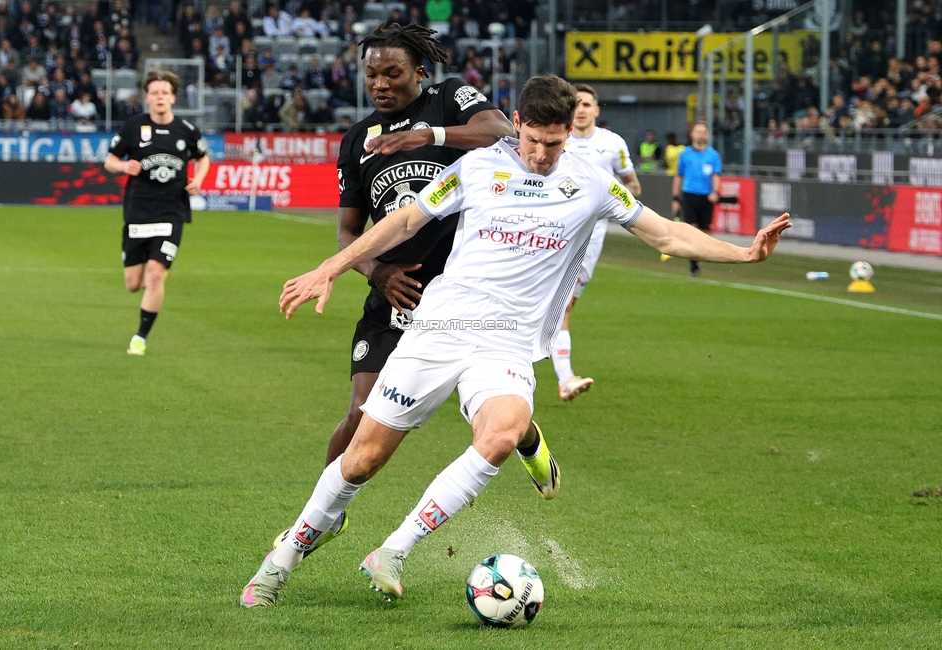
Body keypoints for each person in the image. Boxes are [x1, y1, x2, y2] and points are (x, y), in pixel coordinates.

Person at [241, 74, 791, 608]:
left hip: (507, 344)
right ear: (518, 123)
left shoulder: (593, 182)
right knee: (362, 461)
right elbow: (405, 221)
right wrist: (331, 267)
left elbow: (665, 233)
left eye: (555, 144)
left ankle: (392, 551)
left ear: (569, 134)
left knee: (499, 434)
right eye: (533, 141)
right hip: (439, 328)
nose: (543, 155)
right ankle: (280, 561)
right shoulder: (477, 167)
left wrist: (744, 252)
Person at [265, 22, 523, 556]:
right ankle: (323, 514)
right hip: (393, 297)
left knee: (487, 415)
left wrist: (428, 136)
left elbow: (501, 131)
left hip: (464, 300)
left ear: (420, 73)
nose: (380, 84)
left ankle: (526, 435)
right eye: (371, 75)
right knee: (361, 412)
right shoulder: (357, 139)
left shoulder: (449, 99)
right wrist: (377, 272)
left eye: (392, 73)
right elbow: (348, 232)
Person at [104, 70, 210, 356]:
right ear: (147, 97)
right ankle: (152, 283)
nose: (160, 97)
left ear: (173, 97)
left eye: (165, 92)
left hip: (172, 211)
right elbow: (110, 160)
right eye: (155, 93)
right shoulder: (133, 127)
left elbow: (203, 158)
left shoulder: (186, 129)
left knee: (154, 275)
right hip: (138, 211)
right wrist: (123, 166)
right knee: (133, 283)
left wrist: (199, 180)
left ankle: (140, 337)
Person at [550, 82, 642, 401]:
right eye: (576, 103)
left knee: (562, 305)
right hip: (555, 231)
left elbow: (633, 185)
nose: (581, 109)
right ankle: (564, 377)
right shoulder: (557, 140)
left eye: (587, 104)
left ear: (596, 110)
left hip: (592, 238)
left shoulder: (612, 144)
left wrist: (611, 197)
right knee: (560, 305)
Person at [671, 121, 722, 277]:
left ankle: (699, 256)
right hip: (689, 194)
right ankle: (694, 263)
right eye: (698, 131)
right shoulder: (685, 154)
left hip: (706, 196)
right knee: (691, 228)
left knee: (705, 231)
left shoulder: (713, 155)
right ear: (692, 134)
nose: (701, 135)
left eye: (703, 132)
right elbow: (679, 176)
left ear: (707, 135)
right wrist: (675, 198)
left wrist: (715, 192)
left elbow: (716, 175)